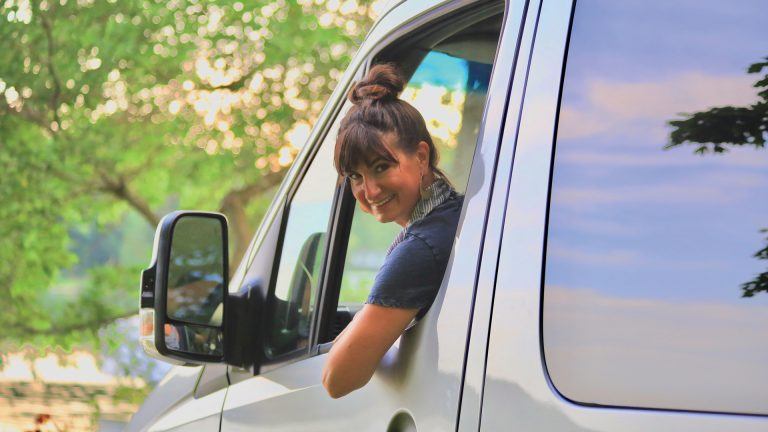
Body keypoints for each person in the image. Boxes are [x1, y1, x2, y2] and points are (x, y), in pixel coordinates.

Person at [322, 64, 463, 398]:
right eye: (355, 176)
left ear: (421, 156)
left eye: (381, 166)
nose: (369, 190)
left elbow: (336, 380)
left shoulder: (421, 248)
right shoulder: (456, 214)